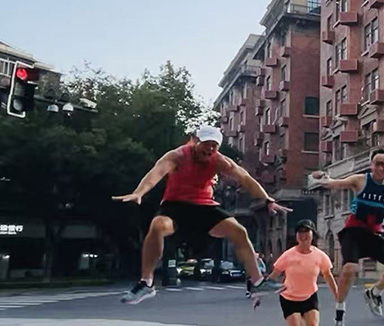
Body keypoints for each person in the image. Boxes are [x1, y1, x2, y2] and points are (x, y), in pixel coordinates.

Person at [113, 125, 291, 306]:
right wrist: (139, 192)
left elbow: (245, 178)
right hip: (175, 205)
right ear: (196, 142)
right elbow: (157, 172)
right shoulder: (178, 156)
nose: (210, 149)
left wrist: (267, 199)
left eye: (215, 146)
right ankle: (146, 283)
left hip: (204, 207)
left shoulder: (220, 161)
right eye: (207, 144)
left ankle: (257, 283)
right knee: (157, 226)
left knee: (239, 231)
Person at [310, 149, 384, 326]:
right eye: (377, 164)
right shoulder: (360, 180)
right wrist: (321, 178)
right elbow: (336, 183)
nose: (380, 168)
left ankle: (374, 292)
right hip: (353, 232)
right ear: (371, 166)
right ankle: (340, 309)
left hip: (372, 233)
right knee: (350, 268)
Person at [265, 219, 337, 326]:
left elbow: (329, 276)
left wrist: (339, 297)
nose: (304, 236)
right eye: (300, 233)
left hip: (310, 296)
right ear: (297, 236)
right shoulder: (288, 255)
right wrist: (259, 294)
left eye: (307, 233)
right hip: (289, 297)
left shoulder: (320, 256)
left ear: (312, 235)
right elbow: (273, 276)